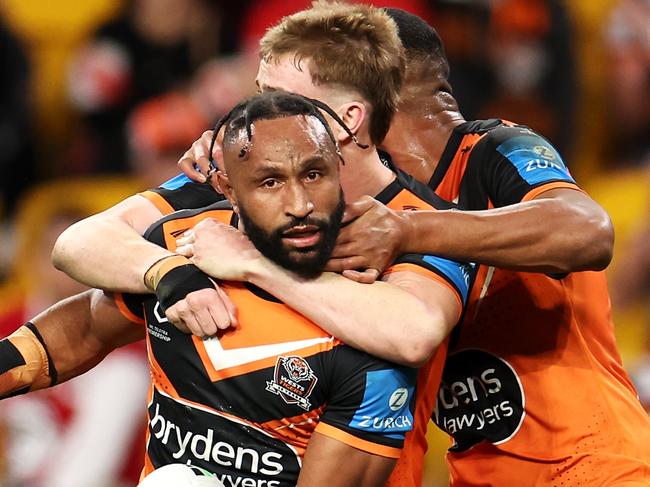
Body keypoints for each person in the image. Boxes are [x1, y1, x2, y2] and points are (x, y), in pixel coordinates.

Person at [50, 2, 648, 485]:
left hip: (594, 466)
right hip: (477, 469)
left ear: (359, 106)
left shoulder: (494, 153)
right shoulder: (323, 191)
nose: (267, 112)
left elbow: (588, 232)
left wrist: (412, 232)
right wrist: (188, 239)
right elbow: (93, 250)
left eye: (282, 96)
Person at [0, 91, 466, 486]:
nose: (300, 204)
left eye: (314, 174)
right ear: (225, 186)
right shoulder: (181, 245)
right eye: (269, 182)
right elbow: (77, 336)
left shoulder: (370, 329)